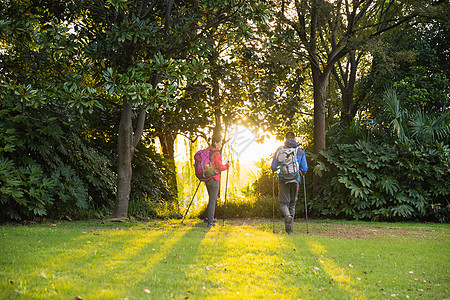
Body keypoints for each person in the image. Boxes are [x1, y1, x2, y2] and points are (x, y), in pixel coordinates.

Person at [271, 131, 308, 234]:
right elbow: (304, 169)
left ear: (285, 139)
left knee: (284, 203)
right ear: (295, 139)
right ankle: (290, 231)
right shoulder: (299, 151)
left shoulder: (280, 150)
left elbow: (273, 167)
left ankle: (287, 217)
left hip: (283, 180)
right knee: (292, 204)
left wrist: (278, 169)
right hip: (295, 180)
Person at [205, 136, 230, 227]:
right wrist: (227, 165)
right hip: (214, 179)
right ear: (215, 143)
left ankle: (208, 218)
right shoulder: (216, 153)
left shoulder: (207, 150)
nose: (221, 145)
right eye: (220, 143)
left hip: (207, 178)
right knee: (213, 200)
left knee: (210, 198)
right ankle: (210, 222)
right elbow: (220, 167)